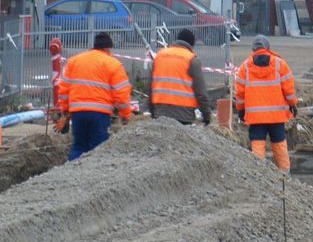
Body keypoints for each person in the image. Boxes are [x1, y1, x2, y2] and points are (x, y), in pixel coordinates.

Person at [57, 32, 133, 161]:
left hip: (78, 113)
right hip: (100, 114)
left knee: (79, 147)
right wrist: (125, 114)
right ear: (108, 48)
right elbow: (121, 94)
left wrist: (65, 111)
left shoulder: (74, 61)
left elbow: (63, 88)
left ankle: (72, 175)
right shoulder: (113, 64)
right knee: (99, 151)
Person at [234, 34, 297, 173]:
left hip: (256, 116)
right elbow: (289, 89)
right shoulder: (280, 64)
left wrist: (241, 109)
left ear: (253, 49)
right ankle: (285, 174)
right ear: (268, 48)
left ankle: (259, 175)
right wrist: (292, 104)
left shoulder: (245, 67)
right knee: (279, 143)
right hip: (277, 115)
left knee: (257, 143)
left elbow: (239, 93)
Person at [148, 28, 210, 126]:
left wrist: (152, 110)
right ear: (191, 45)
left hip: (160, 112)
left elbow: (151, 86)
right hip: (184, 114)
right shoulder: (191, 60)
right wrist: (206, 116)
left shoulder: (160, 56)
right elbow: (201, 93)